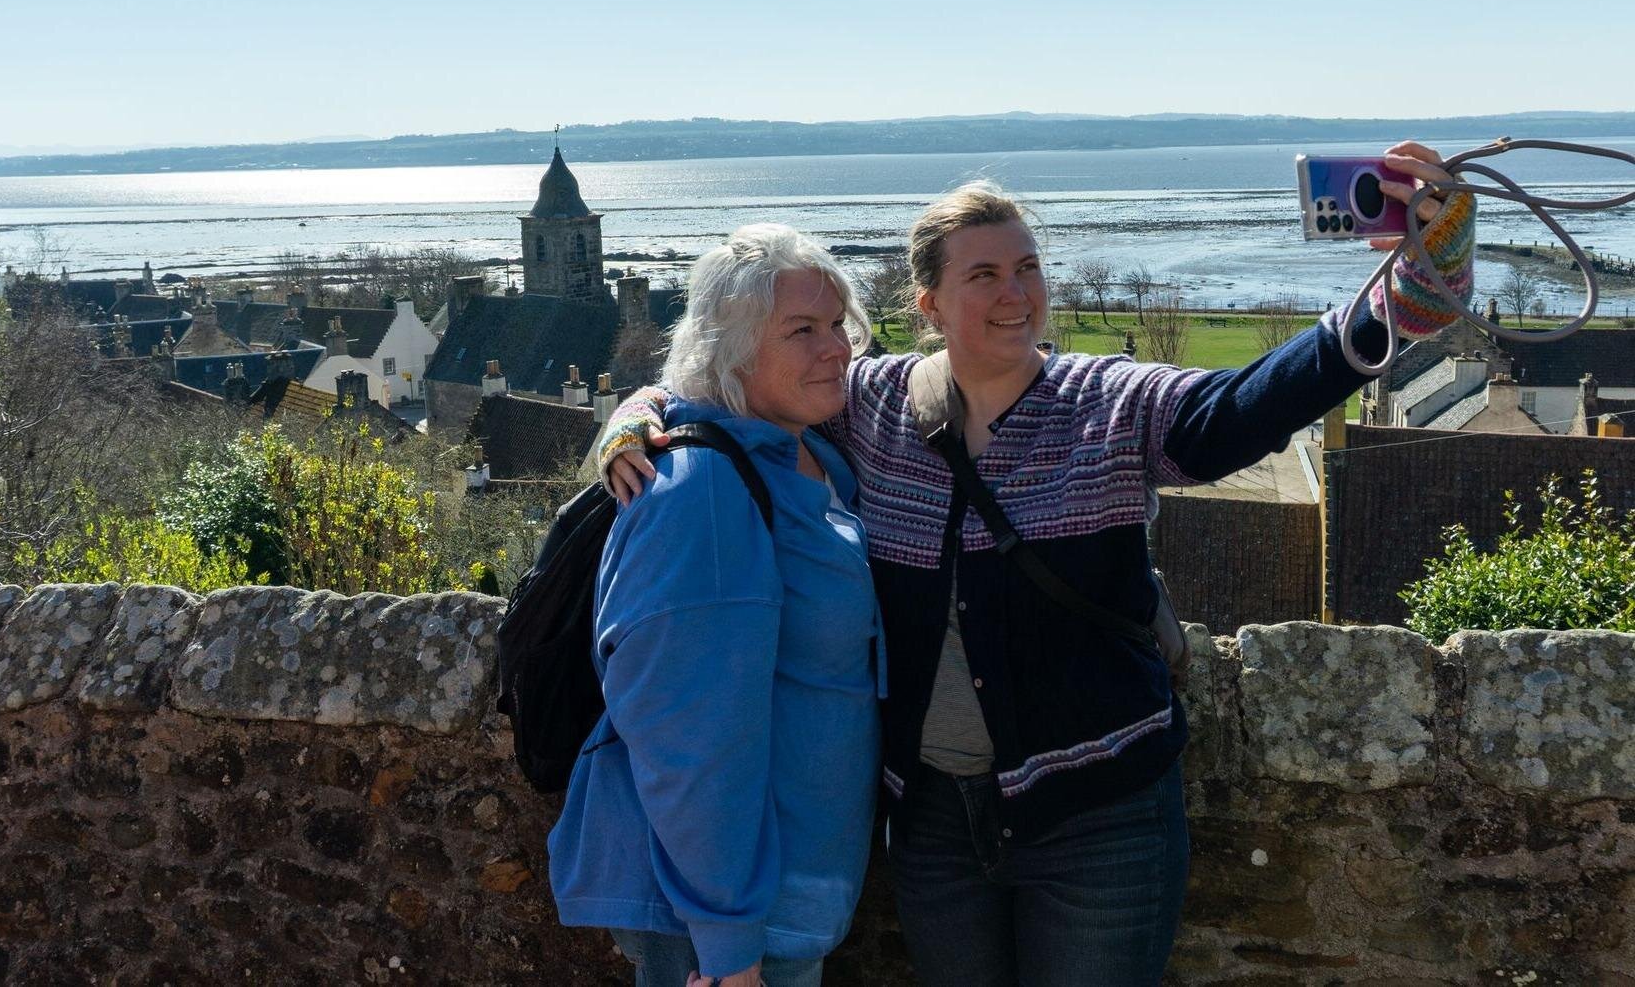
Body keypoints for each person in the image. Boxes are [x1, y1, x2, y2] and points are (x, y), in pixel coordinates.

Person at [601, 143, 1476, 985]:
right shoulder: (868, 404)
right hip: (934, 822)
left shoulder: (1109, 403)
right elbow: (731, 382)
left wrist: (1408, 290)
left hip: (1100, 817)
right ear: (929, 304)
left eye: (1027, 269)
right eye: (983, 275)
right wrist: (638, 415)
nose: (1015, 293)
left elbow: (1241, 409)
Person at [549, 224, 885, 987]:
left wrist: (636, 404)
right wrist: (729, 946)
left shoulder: (805, 445)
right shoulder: (701, 492)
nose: (836, 348)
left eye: (838, 324)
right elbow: (689, 740)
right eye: (802, 330)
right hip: (721, 924)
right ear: (730, 351)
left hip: (789, 897)